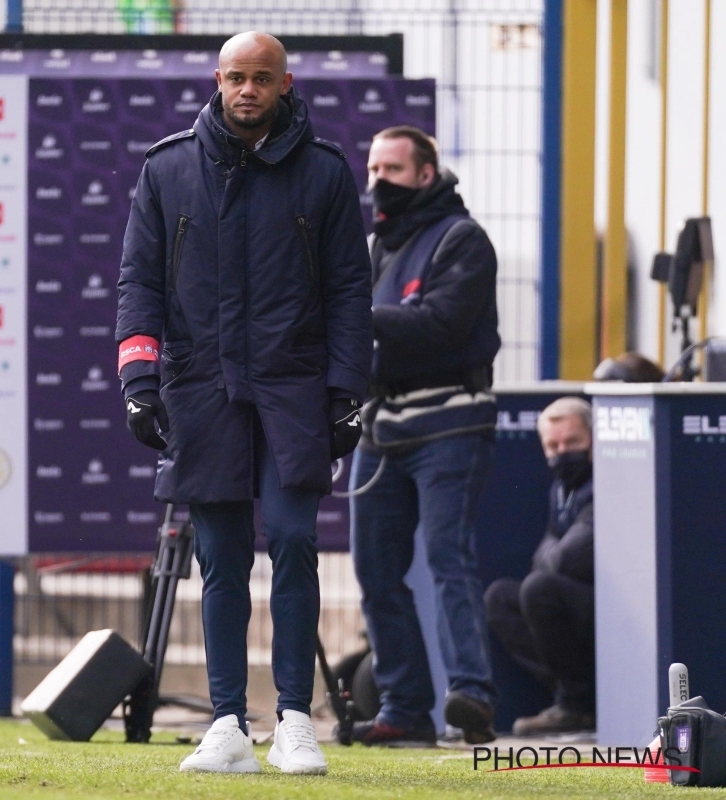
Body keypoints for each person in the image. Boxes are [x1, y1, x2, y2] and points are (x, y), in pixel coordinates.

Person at [116, 31, 372, 774]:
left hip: (294, 393)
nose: (248, 90)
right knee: (221, 558)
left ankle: (295, 719)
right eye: (237, 77)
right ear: (218, 80)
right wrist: (138, 380)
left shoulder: (323, 174)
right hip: (201, 390)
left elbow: (352, 289)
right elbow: (139, 283)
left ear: (286, 83)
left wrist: (346, 391)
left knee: (293, 542)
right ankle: (226, 724)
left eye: (263, 78)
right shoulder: (167, 169)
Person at [348, 125, 501, 746]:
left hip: (451, 424)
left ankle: (472, 696)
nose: (379, 180)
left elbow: (439, 325)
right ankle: (404, 708)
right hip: (381, 430)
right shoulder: (375, 246)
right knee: (374, 571)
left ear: (427, 174)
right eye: (374, 168)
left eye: (393, 169)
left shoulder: (463, 239)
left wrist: (349, 312)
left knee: (446, 558)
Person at [485, 397, 595, 735]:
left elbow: (570, 555)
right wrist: (556, 556)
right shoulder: (560, 489)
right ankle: (576, 694)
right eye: (553, 445)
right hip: (573, 600)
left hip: (613, 612)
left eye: (573, 442)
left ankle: (576, 704)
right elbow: (548, 552)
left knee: (538, 588)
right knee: (501, 597)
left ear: (593, 439)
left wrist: (555, 556)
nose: (563, 452)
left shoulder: (607, 482)